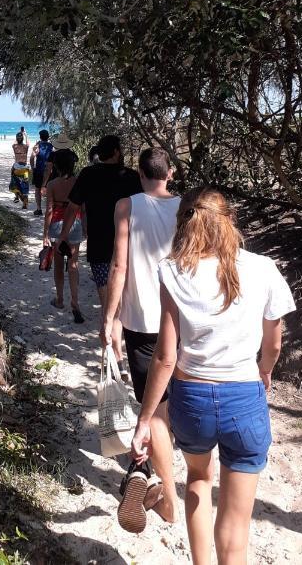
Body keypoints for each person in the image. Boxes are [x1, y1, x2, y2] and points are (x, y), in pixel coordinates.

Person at [132, 188, 295, 565]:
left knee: (199, 482)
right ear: (230, 222)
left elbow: (165, 356)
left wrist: (145, 419)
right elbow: (272, 344)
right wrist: (265, 373)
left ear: (184, 224)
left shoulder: (173, 270)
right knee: (237, 525)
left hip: (193, 399)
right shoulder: (263, 268)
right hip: (245, 397)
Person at [102, 147, 180, 533]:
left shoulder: (127, 206)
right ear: (172, 172)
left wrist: (110, 316)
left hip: (144, 319)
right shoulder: (188, 209)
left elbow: (120, 264)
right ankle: (144, 466)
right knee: (171, 403)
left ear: (139, 172)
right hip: (185, 319)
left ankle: (168, 500)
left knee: (157, 410)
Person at [59, 134, 141, 372]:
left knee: (109, 306)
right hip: (130, 251)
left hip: (100, 250)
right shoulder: (132, 178)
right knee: (124, 306)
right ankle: (119, 359)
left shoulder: (88, 174)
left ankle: (114, 358)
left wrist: (63, 235)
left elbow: (73, 207)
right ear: (116, 152)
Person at [43, 148, 85, 324]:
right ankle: (75, 302)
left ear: (57, 166)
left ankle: (60, 300)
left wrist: (45, 233)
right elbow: (83, 209)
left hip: (57, 226)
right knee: (74, 265)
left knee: (59, 266)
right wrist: (86, 228)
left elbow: (49, 211)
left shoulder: (52, 185)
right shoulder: (79, 183)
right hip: (75, 224)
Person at [30, 129, 54, 216]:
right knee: (50, 190)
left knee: (37, 190)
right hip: (50, 171)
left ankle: (39, 209)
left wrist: (33, 168)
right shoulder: (52, 147)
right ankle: (49, 210)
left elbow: (32, 158)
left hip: (39, 171)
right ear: (48, 137)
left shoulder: (37, 146)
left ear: (40, 137)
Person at [9, 131, 30, 209]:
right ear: (23, 139)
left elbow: (14, 142)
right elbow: (28, 142)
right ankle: (25, 204)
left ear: (17, 139)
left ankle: (17, 196)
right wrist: (25, 134)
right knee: (25, 185)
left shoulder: (15, 147)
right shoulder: (25, 147)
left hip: (17, 167)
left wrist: (18, 137)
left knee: (14, 182)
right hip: (24, 168)